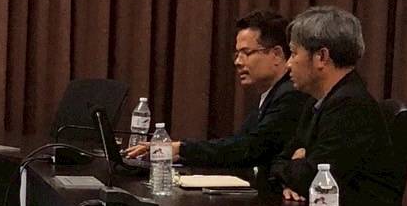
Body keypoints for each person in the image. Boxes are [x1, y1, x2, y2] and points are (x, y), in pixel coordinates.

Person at [267, 5, 404, 206]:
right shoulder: (316, 100)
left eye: (293, 53)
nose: (289, 64)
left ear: (321, 57)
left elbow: (313, 178)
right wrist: (292, 171)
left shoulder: (352, 105)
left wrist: (297, 168)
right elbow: (280, 160)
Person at [123, 10, 311, 168]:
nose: (238, 62)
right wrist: (179, 154)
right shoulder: (271, 94)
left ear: (277, 54)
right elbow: (236, 144)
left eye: (246, 53)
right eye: (237, 54)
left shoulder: (291, 96)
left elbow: (250, 148)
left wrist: (182, 148)